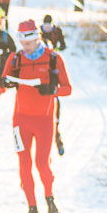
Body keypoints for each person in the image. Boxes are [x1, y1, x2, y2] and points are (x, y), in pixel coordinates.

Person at [0, 19, 72, 213]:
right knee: (24, 164)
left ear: (37, 38)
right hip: (20, 121)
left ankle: (49, 197)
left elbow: (67, 88)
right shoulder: (15, 58)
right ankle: (32, 208)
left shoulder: (53, 59)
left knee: (42, 163)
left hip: (44, 121)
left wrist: (52, 90)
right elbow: (0, 87)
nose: (25, 47)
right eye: (22, 43)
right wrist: (4, 83)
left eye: (29, 43)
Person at [41, 15, 69, 154]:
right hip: (40, 98)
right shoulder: (37, 61)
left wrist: (54, 90)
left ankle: (58, 141)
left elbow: (66, 88)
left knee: (54, 121)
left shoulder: (56, 62)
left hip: (53, 95)